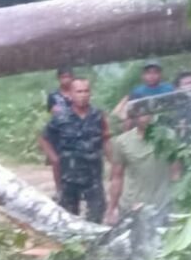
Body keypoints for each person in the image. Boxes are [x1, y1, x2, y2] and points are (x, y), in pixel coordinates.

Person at [39, 77, 109, 222]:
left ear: (90, 93)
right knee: (68, 217)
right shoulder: (61, 117)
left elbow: (106, 137)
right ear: (70, 94)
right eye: (78, 91)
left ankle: (93, 242)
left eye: (86, 91)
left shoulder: (98, 115)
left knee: (97, 212)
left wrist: (113, 160)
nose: (82, 95)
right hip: (69, 176)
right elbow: (44, 138)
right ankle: (73, 244)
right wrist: (54, 158)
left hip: (93, 176)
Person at [106, 106, 182, 223]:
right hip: (131, 206)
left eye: (148, 114)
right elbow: (117, 177)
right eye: (141, 114)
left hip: (160, 206)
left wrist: (177, 202)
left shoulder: (167, 137)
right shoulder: (123, 142)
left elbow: (175, 172)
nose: (145, 118)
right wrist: (112, 208)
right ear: (134, 117)